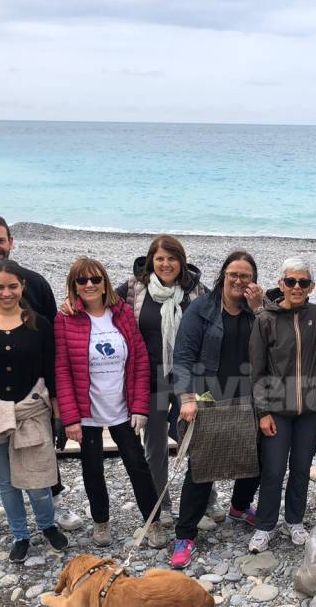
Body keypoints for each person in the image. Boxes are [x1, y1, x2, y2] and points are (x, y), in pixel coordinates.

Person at [0, 215, 82, 546]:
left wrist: (60, 410)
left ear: (11, 242)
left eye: (1, 241)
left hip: (32, 396)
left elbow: (54, 340)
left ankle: (53, 503)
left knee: (41, 454)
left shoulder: (35, 284)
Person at [56, 258, 162, 548]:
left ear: (104, 283)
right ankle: (100, 522)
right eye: (82, 281)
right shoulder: (65, 319)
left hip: (122, 408)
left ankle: (153, 522)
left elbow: (140, 359)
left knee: (138, 465)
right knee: (92, 470)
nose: (89, 285)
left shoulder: (123, 313)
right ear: (74, 286)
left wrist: (140, 407)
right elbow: (62, 370)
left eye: (95, 279)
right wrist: (70, 419)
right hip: (87, 412)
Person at [169, 251, 265, 569]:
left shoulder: (257, 311)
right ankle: (185, 535)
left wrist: (260, 309)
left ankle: (239, 506)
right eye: (233, 274)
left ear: (253, 281)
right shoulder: (203, 309)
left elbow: (274, 347)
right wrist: (185, 397)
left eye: (245, 276)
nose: (239, 281)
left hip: (248, 396)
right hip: (209, 395)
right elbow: (183, 355)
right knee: (202, 468)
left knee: (255, 458)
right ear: (223, 276)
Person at [115, 235, 210, 527]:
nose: (166, 264)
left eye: (172, 258)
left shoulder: (197, 293)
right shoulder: (134, 289)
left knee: (197, 440)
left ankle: (207, 499)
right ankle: (161, 503)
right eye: (160, 258)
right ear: (151, 261)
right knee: (155, 447)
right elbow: (98, 305)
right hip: (151, 378)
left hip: (188, 378)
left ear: (182, 262)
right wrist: (72, 303)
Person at [247, 258, 316, 552]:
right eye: (291, 281)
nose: (296, 287)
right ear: (281, 284)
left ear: (311, 287)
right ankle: (265, 526)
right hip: (277, 411)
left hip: (308, 411)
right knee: (273, 469)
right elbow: (256, 371)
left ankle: (295, 521)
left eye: (303, 283)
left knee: (301, 468)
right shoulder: (265, 320)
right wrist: (263, 412)